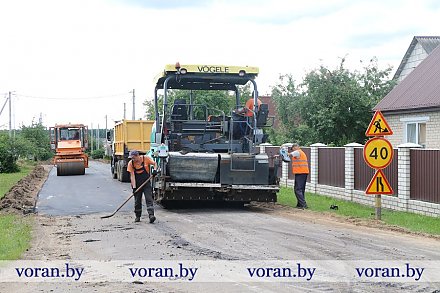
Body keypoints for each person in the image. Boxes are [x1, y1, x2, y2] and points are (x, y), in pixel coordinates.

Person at [127, 150, 158, 223]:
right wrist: (134, 188)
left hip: (146, 183)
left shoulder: (146, 158)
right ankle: (138, 216)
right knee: (137, 200)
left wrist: (155, 170)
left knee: (148, 199)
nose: (133, 159)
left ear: (138, 156)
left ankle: (151, 215)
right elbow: (132, 176)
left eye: (134, 158)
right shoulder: (131, 163)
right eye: (131, 158)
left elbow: (155, 163)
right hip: (137, 184)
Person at [289, 143, 309, 209]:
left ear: (295, 147)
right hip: (304, 172)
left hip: (300, 172)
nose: (293, 150)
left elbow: (289, 155)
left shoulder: (297, 152)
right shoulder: (302, 153)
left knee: (297, 189)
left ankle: (303, 205)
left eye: (293, 149)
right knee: (301, 189)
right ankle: (299, 204)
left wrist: (282, 152)